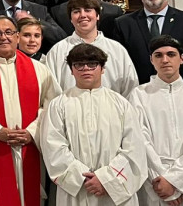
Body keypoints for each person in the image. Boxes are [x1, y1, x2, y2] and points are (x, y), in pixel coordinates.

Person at [0, 15, 60, 206]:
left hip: (30, 147)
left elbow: (52, 106)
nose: (3, 37)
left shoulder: (39, 69)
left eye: (8, 32)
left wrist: (31, 132)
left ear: (17, 37)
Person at [40, 44, 147, 205]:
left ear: (103, 68)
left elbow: (134, 148)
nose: (85, 69)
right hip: (77, 191)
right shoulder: (59, 104)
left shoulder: (121, 104)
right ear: (71, 70)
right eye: (79, 64)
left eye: (92, 64)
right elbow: (53, 146)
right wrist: (84, 178)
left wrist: (106, 179)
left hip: (114, 192)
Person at [127, 36, 183, 206]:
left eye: (171, 54)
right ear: (151, 60)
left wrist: (176, 183)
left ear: (181, 59)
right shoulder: (139, 95)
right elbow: (140, 140)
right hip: (154, 181)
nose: (165, 60)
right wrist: (160, 181)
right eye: (158, 55)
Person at [44, 0, 138, 96]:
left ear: (97, 16)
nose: (83, 15)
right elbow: (51, 91)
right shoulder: (57, 51)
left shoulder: (117, 49)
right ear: (71, 19)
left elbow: (130, 88)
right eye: (76, 12)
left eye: (88, 10)